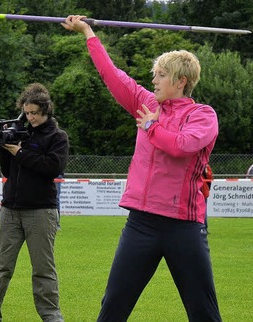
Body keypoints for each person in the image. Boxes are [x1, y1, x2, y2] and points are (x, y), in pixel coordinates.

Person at [63, 15, 221, 320]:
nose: (154, 80)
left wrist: (151, 126)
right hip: (140, 225)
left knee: (203, 312)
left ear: (181, 81)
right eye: (155, 74)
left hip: (184, 227)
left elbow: (181, 146)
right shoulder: (146, 102)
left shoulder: (203, 115)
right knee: (112, 308)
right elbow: (111, 74)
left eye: (160, 75)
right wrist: (88, 33)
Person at [0, 83, 69, 322]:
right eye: (27, 113)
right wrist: (5, 148)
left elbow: (52, 168)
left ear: (46, 110)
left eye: (35, 113)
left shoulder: (57, 137)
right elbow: (7, 170)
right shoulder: (21, 132)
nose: (31, 118)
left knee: (43, 269)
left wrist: (20, 153)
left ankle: (51, 314)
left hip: (41, 210)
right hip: (10, 208)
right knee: (1, 266)